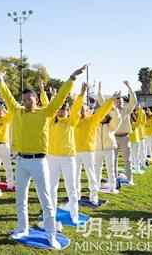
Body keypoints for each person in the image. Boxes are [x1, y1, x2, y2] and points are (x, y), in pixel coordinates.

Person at [0, 65, 86, 249]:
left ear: (36, 99)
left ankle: (51, 234)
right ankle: (23, 228)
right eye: (24, 99)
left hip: (39, 162)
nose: (27, 102)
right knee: (21, 199)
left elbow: (60, 97)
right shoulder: (18, 111)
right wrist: (0, 80)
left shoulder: (46, 112)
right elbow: (7, 96)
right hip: (21, 161)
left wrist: (71, 78)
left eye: (29, 99)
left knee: (46, 200)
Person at [44, 83, 86, 228]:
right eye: (60, 109)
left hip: (68, 158)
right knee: (51, 188)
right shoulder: (50, 122)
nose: (62, 111)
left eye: (64, 109)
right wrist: (51, 95)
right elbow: (49, 105)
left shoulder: (71, 121)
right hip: (52, 158)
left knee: (71, 188)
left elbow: (76, 109)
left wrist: (81, 94)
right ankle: (51, 214)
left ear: (68, 112)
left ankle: (74, 216)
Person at [74, 91, 116, 205]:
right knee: (75, 176)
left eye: (83, 109)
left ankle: (94, 197)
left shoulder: (92, 120)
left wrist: (111, 100)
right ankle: (76, 196)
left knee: (91, 175)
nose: (81, 111)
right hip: (75, 152)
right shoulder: (73, 121)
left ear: (87, 110)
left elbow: (102, 111)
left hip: (88, 152)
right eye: (80, 109)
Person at [98, 81, 136, 185]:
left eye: (120, 101)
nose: (119, 102)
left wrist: (129, 87)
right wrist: (99, 90)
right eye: (117, 101)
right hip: (113, 137)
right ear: (115, 102)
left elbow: (134, 101)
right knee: (113, 160)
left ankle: (129, 179)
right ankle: (113, 179)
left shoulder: (127, 109)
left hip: (124, 137)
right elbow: (102, 103)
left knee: (127, 159)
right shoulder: (111, 110)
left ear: (123, 102)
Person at [94, 107, 122, 194]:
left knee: (110, 169)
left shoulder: (111, 125)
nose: (103, 118)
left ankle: (112, 186)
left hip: (109, 150)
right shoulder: (95, 124)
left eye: (104, 116)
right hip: (97, 149)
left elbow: (118, 119)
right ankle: (96, 185)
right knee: (97, 169)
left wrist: (114, 110)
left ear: (107, 116)